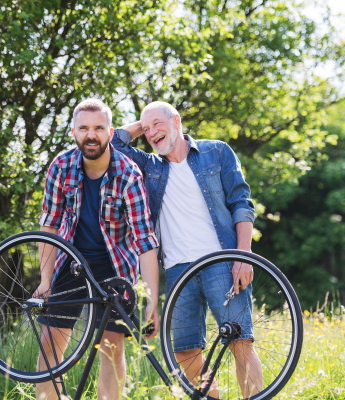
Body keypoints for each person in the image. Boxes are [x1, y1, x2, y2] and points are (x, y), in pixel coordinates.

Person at [111, 101, 263, 397]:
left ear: (177, 120)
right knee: (185, 351)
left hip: (222, 260)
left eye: (159, 123)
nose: (153, 131)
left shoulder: (216, 152)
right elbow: (113, 143)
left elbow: (242, 204)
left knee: (239, 342)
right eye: (147, 127)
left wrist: (243, 256)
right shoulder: (149, 166)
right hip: (178, 270)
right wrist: (145, 127)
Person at [33, 99, 160, 400]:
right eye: (84, 128)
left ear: (110, 132)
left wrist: (152, 299)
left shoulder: (128, 173)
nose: (91, 134)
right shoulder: (61, 166)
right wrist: (45, 280)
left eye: (99, 128)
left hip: (114, 266)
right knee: (50, 341)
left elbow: (145, 240)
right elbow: (49, 227)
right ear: (74, 132)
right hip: (71, 259)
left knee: (111, 347)